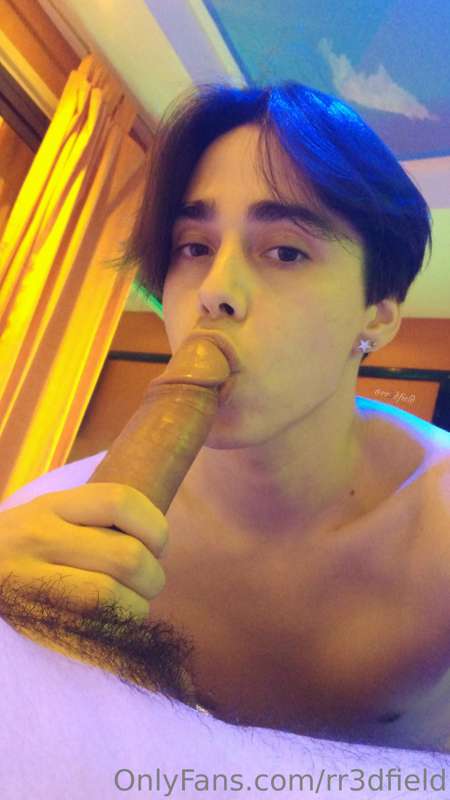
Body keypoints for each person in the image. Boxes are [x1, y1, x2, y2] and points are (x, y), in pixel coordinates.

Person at [1, 81, 449, 758]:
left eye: (286, 251)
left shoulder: (439, 520)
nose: (215, 292)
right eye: (194, 247)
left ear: (378, 315)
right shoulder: (54, 522)